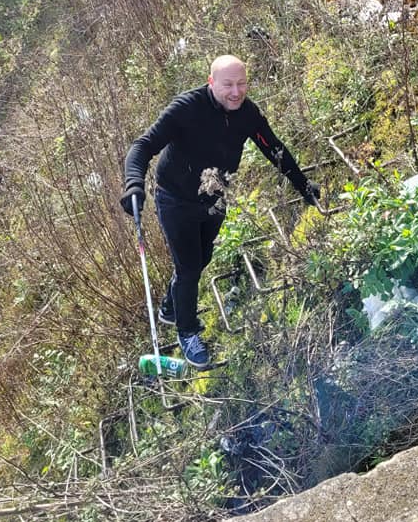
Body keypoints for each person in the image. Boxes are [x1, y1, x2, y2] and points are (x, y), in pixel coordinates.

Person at [120, 55, 319, 368]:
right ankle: (187, 331)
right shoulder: (186, 108)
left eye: (241, 84)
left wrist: (303, 185)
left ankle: (171, 306)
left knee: (203, 259)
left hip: (215, 197)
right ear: (212, 82)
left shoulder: (247, 113)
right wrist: (133, 185)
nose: (236, 92)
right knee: (188, 269)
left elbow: (273, 148)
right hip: (175, 199)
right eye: (228, 85)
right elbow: (142, 146)